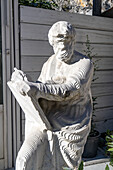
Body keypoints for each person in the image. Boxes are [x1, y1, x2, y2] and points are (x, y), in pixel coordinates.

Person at [8, 21, 93, 170]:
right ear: (52, 43)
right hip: (44, 121)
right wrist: (25, 82)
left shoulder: (84, 63)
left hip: (71, 126)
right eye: (59, 43)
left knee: (61, 167)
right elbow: (41, 88)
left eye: (68, 42)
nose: (63, 48)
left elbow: (71, 89)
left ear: (73, 41)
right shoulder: (49, 63)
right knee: (24, 160)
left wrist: (36, 88)